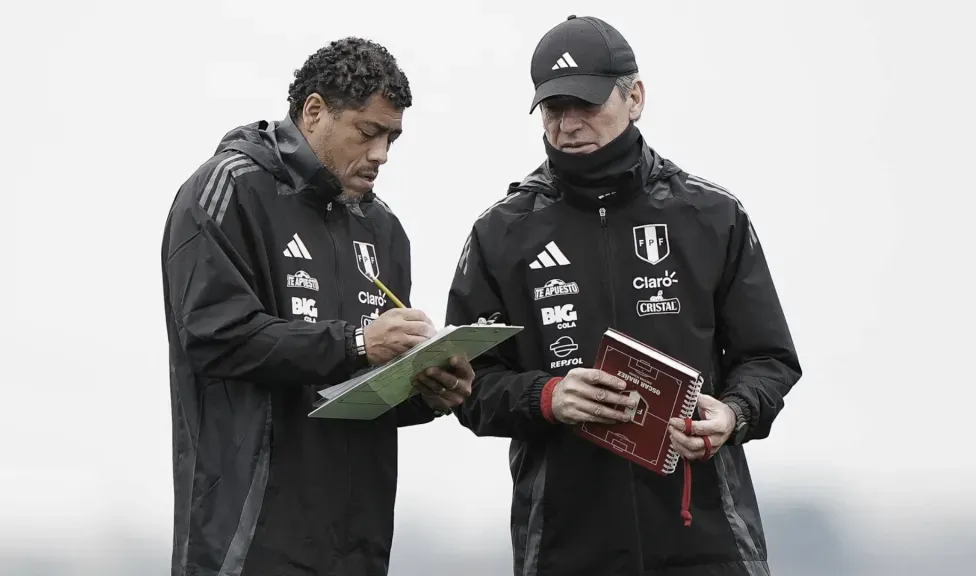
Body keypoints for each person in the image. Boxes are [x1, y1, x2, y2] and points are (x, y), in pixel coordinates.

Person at [446, 15, 802, 576]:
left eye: (585, 104)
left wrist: (732, 414)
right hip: (566, 546)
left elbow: (770, 358)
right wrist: (547, 397)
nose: (567, 124)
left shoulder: (712, 217)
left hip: (707, 540)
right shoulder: (501, 233)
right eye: (553, 108)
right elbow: (467, 384)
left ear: (634, 97)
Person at [160, 37, 475, 576]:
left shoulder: (384, 230)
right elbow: (215, 335)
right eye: (368, 133)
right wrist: (357, 342)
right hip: (247, 542)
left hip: (359, 546)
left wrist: (427, 390)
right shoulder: (227, 187)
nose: (381, 154)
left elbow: (360, 388)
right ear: (313, 111)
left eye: (392, 137)